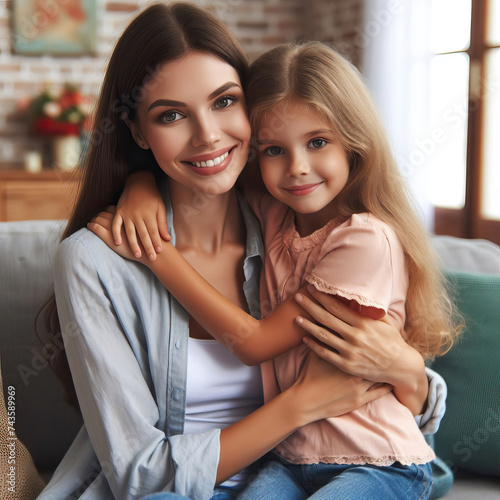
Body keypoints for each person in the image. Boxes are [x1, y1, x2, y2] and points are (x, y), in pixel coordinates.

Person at [37, 3, 448, 499]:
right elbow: (138, 475)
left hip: (323, 472)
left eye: (224, 102)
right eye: (170, 115)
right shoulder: (95, 261)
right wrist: (298, 406)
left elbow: (384, 392)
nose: (207, 134)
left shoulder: (286, 220)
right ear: (138, 132)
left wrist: (408, 372)